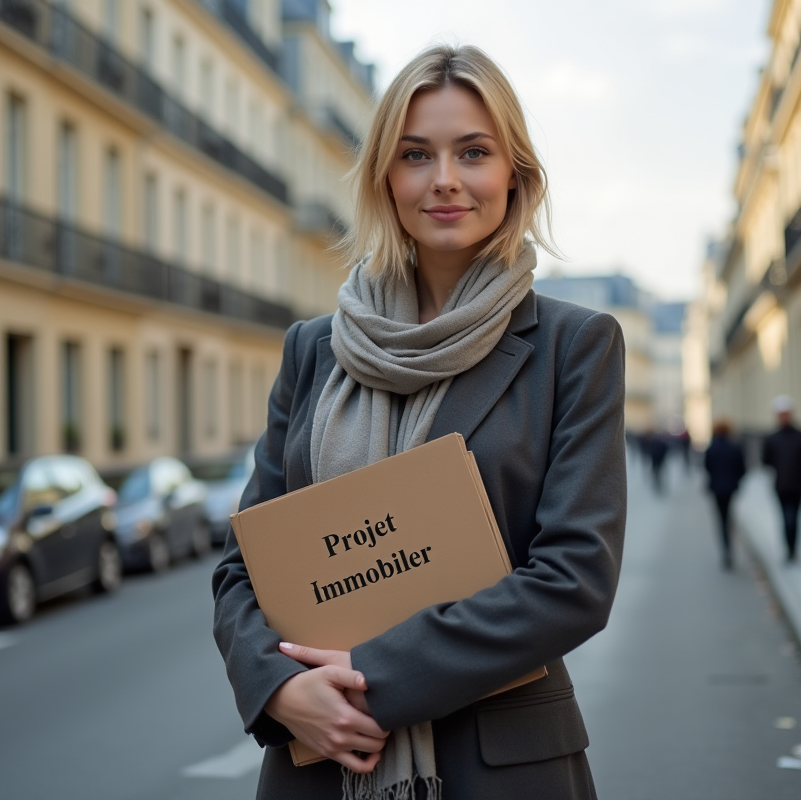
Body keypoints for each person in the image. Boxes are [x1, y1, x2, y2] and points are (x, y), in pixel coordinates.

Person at [212, 45, 627, 800]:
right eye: (415, 155)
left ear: (515, 175)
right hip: (320, 764)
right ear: (385, 179)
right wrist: (276, 690)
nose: (444, 180)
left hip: (499, 769)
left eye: (473, 152)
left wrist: (375, 674)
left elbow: (575, 579)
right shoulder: (314, 350)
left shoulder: (574, 344)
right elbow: (245, 567)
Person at [762, 395, 801, 563]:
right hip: (781, 485)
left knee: (795, 518)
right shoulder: (772, 438)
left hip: (798, 485)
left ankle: (793, 549)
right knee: (786, 518)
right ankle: (789, 549)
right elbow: (766, 461)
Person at [702, 418, 746, 569]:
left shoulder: (711, 448)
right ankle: (729, 548)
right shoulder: (735, 448)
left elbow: (707, 467)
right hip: (731, 488)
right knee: (728, 516)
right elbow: (742, 469)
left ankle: (726, 550)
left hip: (716, 488)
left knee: (721, 519)